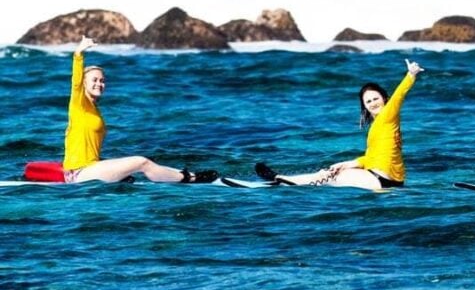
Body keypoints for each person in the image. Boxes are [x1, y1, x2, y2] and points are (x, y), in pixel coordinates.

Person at [62, 36, 218, 184]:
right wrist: (78, 53)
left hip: (91, 167)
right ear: (83, 84)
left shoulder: (94, 109)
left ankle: (189, 174)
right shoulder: (78, 103)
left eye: (102, 81)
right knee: (141, 162)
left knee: (141, 164)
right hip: (79, 173)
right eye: (94, 80)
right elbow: (75, 82)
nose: (99, 84)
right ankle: (188, 179)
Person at [255, 58, 424, 190]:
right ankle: (285, 179)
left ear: (384, 99)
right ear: (364, 106)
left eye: (375, 98)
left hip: (382, 181)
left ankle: (282, 180)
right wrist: (347, 163)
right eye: (368, 101)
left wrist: (410, 76)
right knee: (334, 172)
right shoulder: (380, 125)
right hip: (388, 181)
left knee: (333, 177)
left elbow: (398, 97)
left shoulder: (388, 114)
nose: (373, 103)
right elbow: (374, 157)